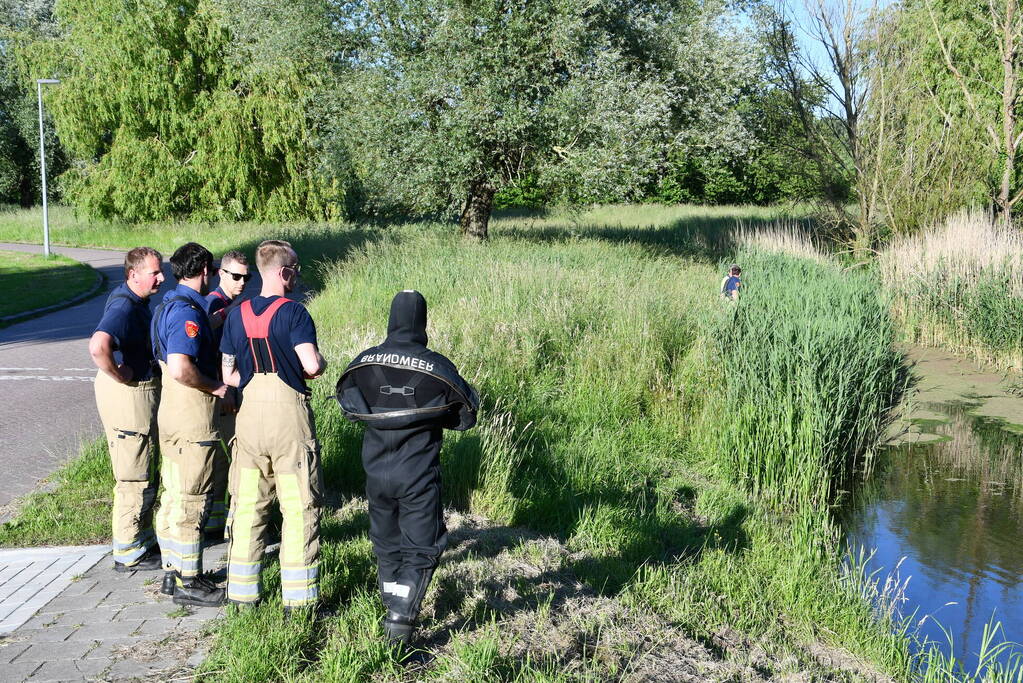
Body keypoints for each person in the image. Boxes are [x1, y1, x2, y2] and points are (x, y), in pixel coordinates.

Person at [335, 290, 479, 646]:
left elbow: (347, 405)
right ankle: (400, 619)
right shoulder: (438, 367)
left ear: (392, 319)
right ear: (422, 322)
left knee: (386, 543)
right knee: (422, 546)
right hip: (417, 474)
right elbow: (466, 417)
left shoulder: (363, 363)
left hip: (375, 472)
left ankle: (391, 602)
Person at [221, 240, 326, 612]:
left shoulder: (236, 314)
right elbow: (311, 366)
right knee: (298, 507)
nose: (296, 277)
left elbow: (228, 374)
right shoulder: (294, 313)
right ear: (284, 273)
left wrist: (252, 379)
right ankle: (298, 602)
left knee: (248, 505)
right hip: (287, 419)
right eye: (295, 271)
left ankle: (242, 596)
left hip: (249, 417)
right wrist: (321, 362)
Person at [151, 242, 229, 607]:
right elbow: (182, 367)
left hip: (169, 414)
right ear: (205, 271)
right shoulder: (188, 312)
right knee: (192, 499)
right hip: (191, 417)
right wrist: (217, 387)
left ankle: (172, 571)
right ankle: (190, 581)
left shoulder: (168, 304)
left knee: (172, 495)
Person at [89, 247, 165, 572]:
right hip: (128, 395)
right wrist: (121, 374)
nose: (161, 278)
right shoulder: (124, 305)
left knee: (143, 466)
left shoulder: (134, 301)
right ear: (134, 274)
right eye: (154, 273)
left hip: (135, 393)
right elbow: (98, 346)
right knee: (134, 472)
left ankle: (142, 541)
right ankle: (129, 552)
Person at [204, 250, 251, 539]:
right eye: (236, 276)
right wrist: (225, 391)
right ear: (221, 273)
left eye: (247, 277)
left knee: (226, 458)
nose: (242, 282)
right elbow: (208, 353)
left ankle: (217, 521)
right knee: (232, 456)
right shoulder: (214, 304)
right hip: (221, 393)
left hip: (229, 389)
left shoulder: (233, 303)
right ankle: (225, 523)